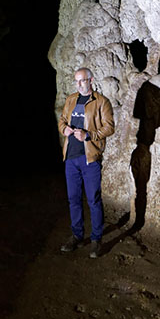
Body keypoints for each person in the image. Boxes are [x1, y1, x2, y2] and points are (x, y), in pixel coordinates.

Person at [58, 67, 115, 258]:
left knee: (93, 199)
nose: (79, 84)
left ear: (91, 80)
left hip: (90, 157)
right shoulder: (71, 100)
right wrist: (64, 129)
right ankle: (77, 235)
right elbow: (62, 120)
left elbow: (109, 127)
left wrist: (89, 135)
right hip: (71, 157)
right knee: (74, 198)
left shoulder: (101, 102)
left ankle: (96, 239)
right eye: (76, 81)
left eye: (82, 80)